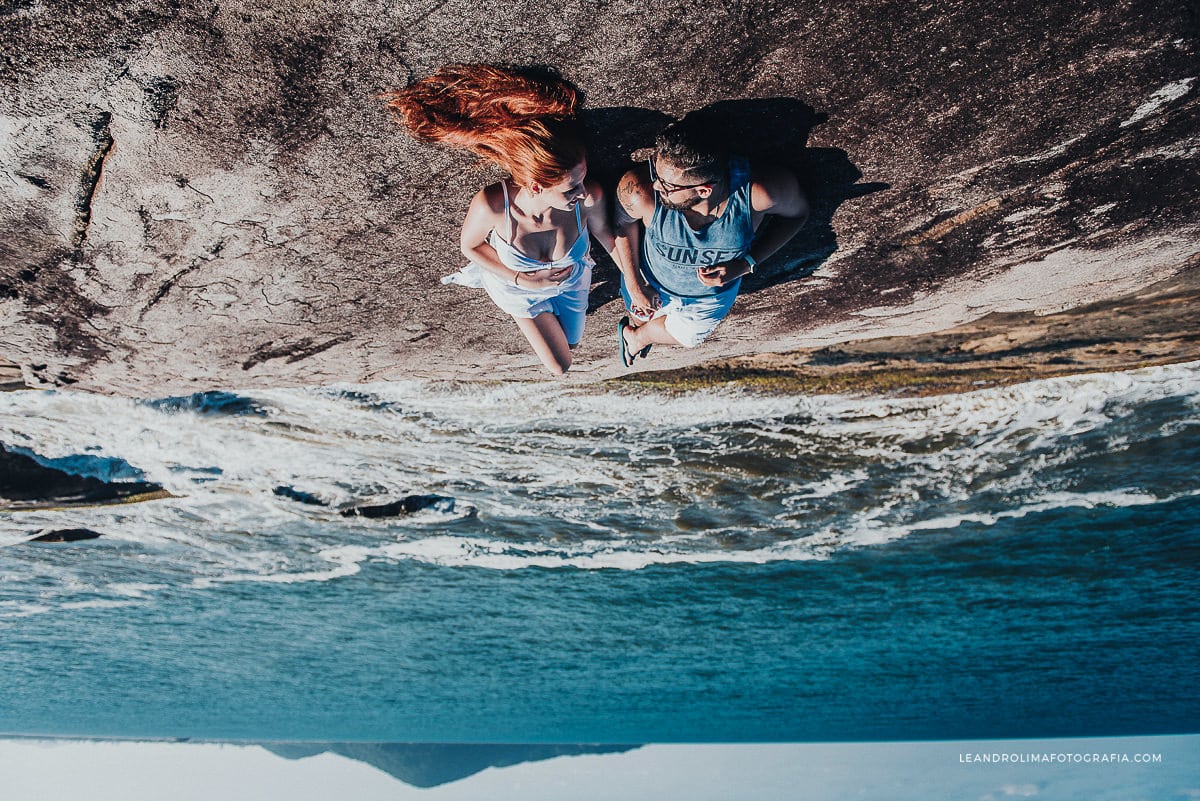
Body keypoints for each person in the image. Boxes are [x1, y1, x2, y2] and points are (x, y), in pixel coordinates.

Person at [385, 64, 618, 375]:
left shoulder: (589, 198)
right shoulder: (494, 205)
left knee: (571, 344)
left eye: (581, 180)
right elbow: (471, 246)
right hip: (520, 290)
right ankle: (525, 313)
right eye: (572, 187)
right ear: (537, 186)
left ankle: (546, 318)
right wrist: (523, 279)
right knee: (561, 366)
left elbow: (605, 232)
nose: (582, 191)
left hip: (571, 283)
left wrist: (633, 279)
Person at [612, 118, 811, 366]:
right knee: (639, 314)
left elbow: (799, 213)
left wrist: (747, 263)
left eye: (667, 185)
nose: (655, 185)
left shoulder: (758, 194)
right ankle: (638, 327)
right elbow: (621, 224)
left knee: (687, 338)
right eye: (657, 172)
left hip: (709, 298)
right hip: (650, 281)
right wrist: (634, 284)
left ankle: (637, 338)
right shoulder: (642, 192)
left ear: (704, 190)